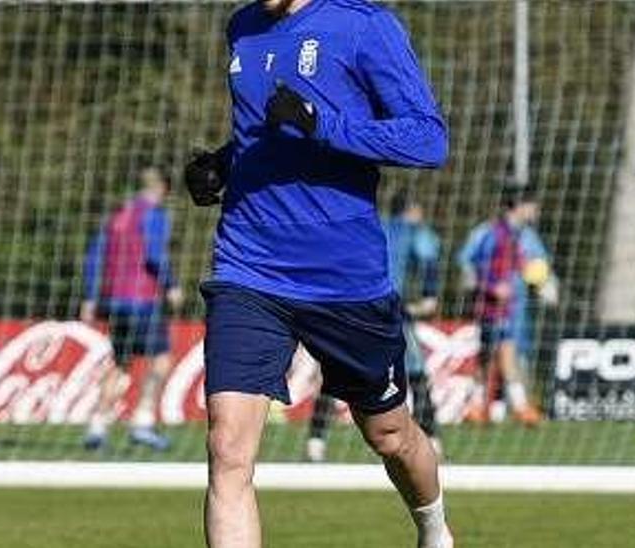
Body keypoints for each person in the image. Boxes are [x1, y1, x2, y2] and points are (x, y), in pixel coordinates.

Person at [183, 0, 452, 546]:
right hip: (248, 267)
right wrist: (224, 163)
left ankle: (435, 531)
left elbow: (429, 139)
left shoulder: (363, 24)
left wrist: (324, 125)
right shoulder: (243, 27)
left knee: (390, 435)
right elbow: (267, 133)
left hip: (344, 279)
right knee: (228, 448)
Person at [305, 192, 443, 463]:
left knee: (336, 372)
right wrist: (429, 295)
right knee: (415, 372)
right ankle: (432, 439)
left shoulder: (370, 225)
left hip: (348, 307)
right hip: (387, 310)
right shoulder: (412, 231)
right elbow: (428, 254)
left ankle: (315, 441)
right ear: (412, 210)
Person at [80, 167, 185, 451]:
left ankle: (97, 427)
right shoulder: (154, 215)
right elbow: (153, 254)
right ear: (162, 188)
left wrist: (90, 297)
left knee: (121, 363)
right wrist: (171, 285)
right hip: (142, 299)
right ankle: (143, 422)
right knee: (161, 360)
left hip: (113, 300)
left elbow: (94, 256)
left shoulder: (117, 215)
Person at [457, 185, 554, 427]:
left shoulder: (523, 235)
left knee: (498, 355)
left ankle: (485, 407)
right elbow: (470, 266)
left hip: (513, 307)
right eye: (532, 204)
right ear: (519, 206)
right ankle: (512, 408)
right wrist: (490, 288)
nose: (536, 210)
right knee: (497, 355)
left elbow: (532, 264)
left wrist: (544, 284)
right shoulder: (491, 233)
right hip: (492, 306)